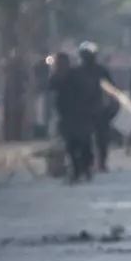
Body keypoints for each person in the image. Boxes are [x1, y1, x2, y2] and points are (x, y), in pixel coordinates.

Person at [49, 52, 96, 182]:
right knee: (71, 145)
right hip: (66, 117)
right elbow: (52, 91)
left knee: (84, 144)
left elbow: (87, 93)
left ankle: (86, 167)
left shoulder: (77, 76)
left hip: (81, 115)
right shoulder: (56, 78)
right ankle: (76, 170)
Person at [77, 42, 117, 171]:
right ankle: (89, 162)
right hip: (85, 109)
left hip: (99, 108)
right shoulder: (78, 72)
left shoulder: (100, 70)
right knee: (86, 138)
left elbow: (111, 88)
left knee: (101, 139)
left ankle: (101, 162)